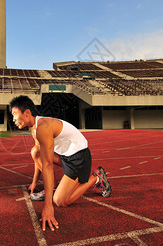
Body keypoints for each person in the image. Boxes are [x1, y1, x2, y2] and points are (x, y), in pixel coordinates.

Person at [9, 95, 111, 232]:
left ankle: (96, 177)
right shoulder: (35, 128)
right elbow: (40, 158)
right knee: (35, 151)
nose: (13, 119)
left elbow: (47, 166)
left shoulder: (43, 127)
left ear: (27, 113)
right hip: (66, 156)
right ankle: (51, 188)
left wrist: (48, 206)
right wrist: (34, 182)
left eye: (15, 114)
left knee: (60, 201)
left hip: (78, 158)